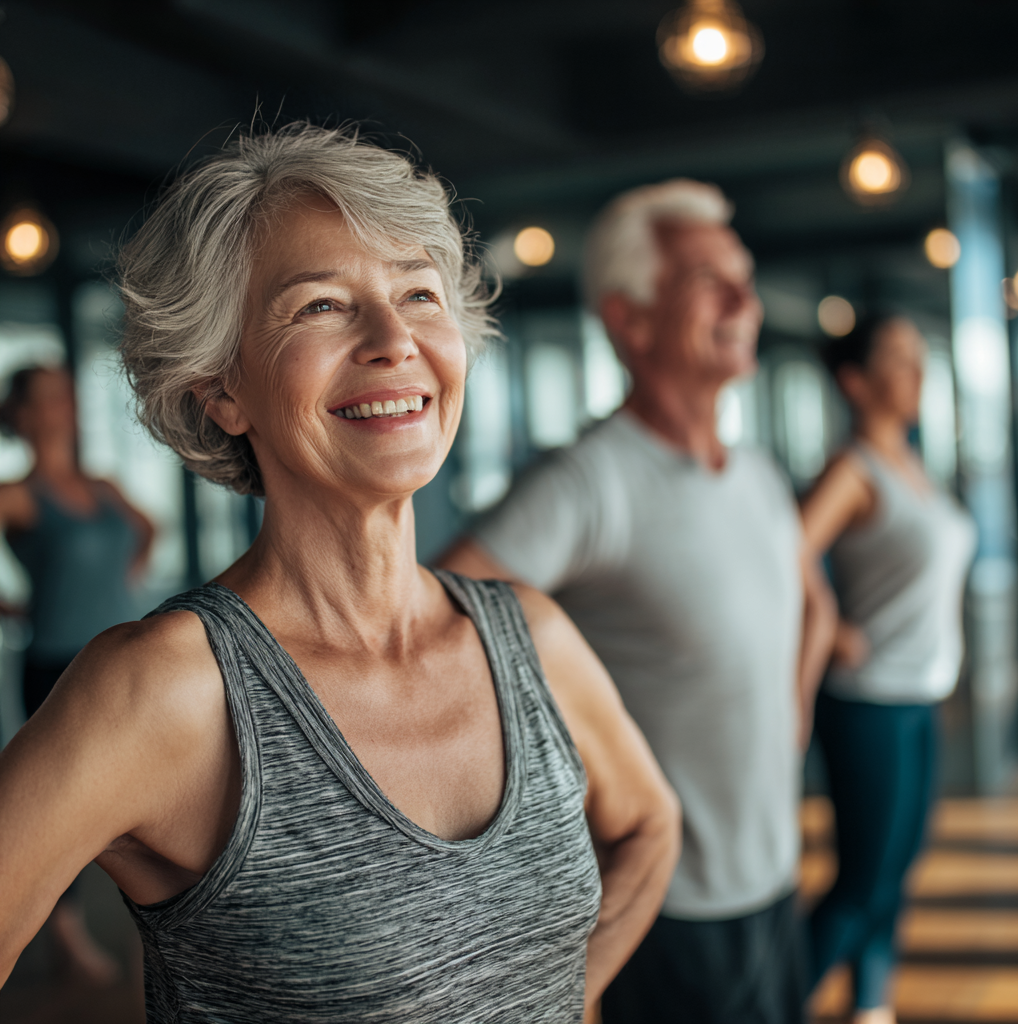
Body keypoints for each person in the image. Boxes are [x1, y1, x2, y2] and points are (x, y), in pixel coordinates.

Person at [0, 125, 681, 1024]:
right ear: (221, 387)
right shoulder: (166, 691)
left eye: (419, 293)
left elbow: (650, 826)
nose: (394, 339)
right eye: (321, 305)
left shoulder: (533, 637)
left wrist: (558, 999)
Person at [440, 179, 837, 1024]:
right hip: (669, 903)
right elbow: (433, 624)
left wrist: (789, 718)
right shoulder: (590, 482)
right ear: (630, 319)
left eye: (744, 276)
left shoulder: (760, 475)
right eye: (706, 279)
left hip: (772, 874)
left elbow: (805, 609)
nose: (744, 298)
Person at [801, 315, 976, 1024]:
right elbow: (786, 552)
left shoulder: (912, 463)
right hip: (870, 701)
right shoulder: (854, 470)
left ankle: (872, 1008)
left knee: (895, 877)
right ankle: (779, 1005)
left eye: (918, 357)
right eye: (899, 360)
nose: (918, 373)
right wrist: (833, 627)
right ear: (855, 381)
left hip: (921, 694)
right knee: (864, 883)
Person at [0, 363, 154, 984]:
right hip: (57, 666)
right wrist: (15, 606)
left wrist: (122, 576)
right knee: (57, 812)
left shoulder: (104, 486)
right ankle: (65, 937)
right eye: (48, 398)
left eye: (67, 394)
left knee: (143, 802)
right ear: (23, 416)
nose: (64, 405)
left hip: (122, 659)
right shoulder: (16, 494)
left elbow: (147, 529)